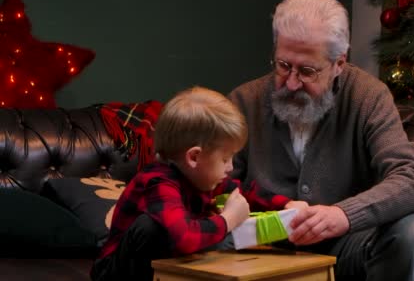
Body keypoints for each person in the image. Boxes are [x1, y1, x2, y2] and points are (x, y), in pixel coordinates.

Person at [228, 0, 414, 281]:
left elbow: (413, 180)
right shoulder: (244, 101)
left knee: (409, 232)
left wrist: (344, 215)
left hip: (343, 248)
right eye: (283, 65)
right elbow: (214, 188)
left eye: (308, 71)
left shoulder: (368, 96)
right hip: (260, 249)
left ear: (339, 63)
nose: (292, 82)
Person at [90, 86, 306, 281]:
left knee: (217, 235)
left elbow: (245, 190)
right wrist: (228, 219)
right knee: (151, 227)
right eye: (224, 159)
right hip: (116, 273)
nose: (230, 167)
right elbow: (185, 238)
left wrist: (287, 204)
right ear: (194, 157)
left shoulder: (202, 178)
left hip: (167, 264)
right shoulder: (158, 182)